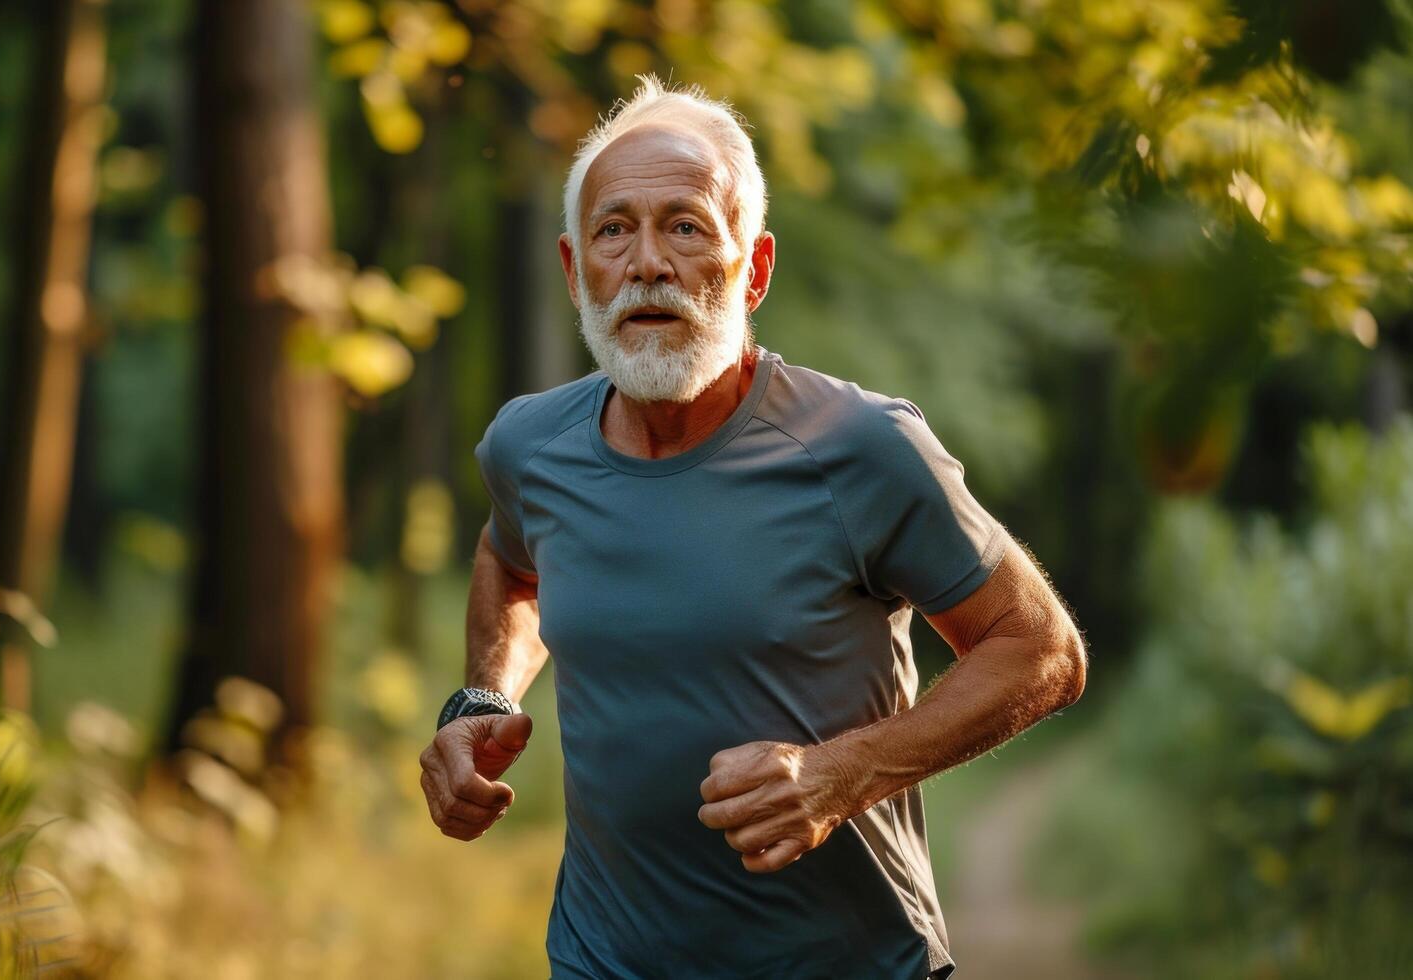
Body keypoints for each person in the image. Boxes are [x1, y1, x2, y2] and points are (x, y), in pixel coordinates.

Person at [417, 75, 1087, 980]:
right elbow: (511, 561)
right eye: (615, 230)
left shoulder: (860, 446)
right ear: (576, 271)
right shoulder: (530, 446)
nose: (647, 262)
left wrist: (842, 773)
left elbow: (1040, 650)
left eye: (685, 226)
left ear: (754, 269)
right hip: (600, 960)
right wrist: (485, 698)